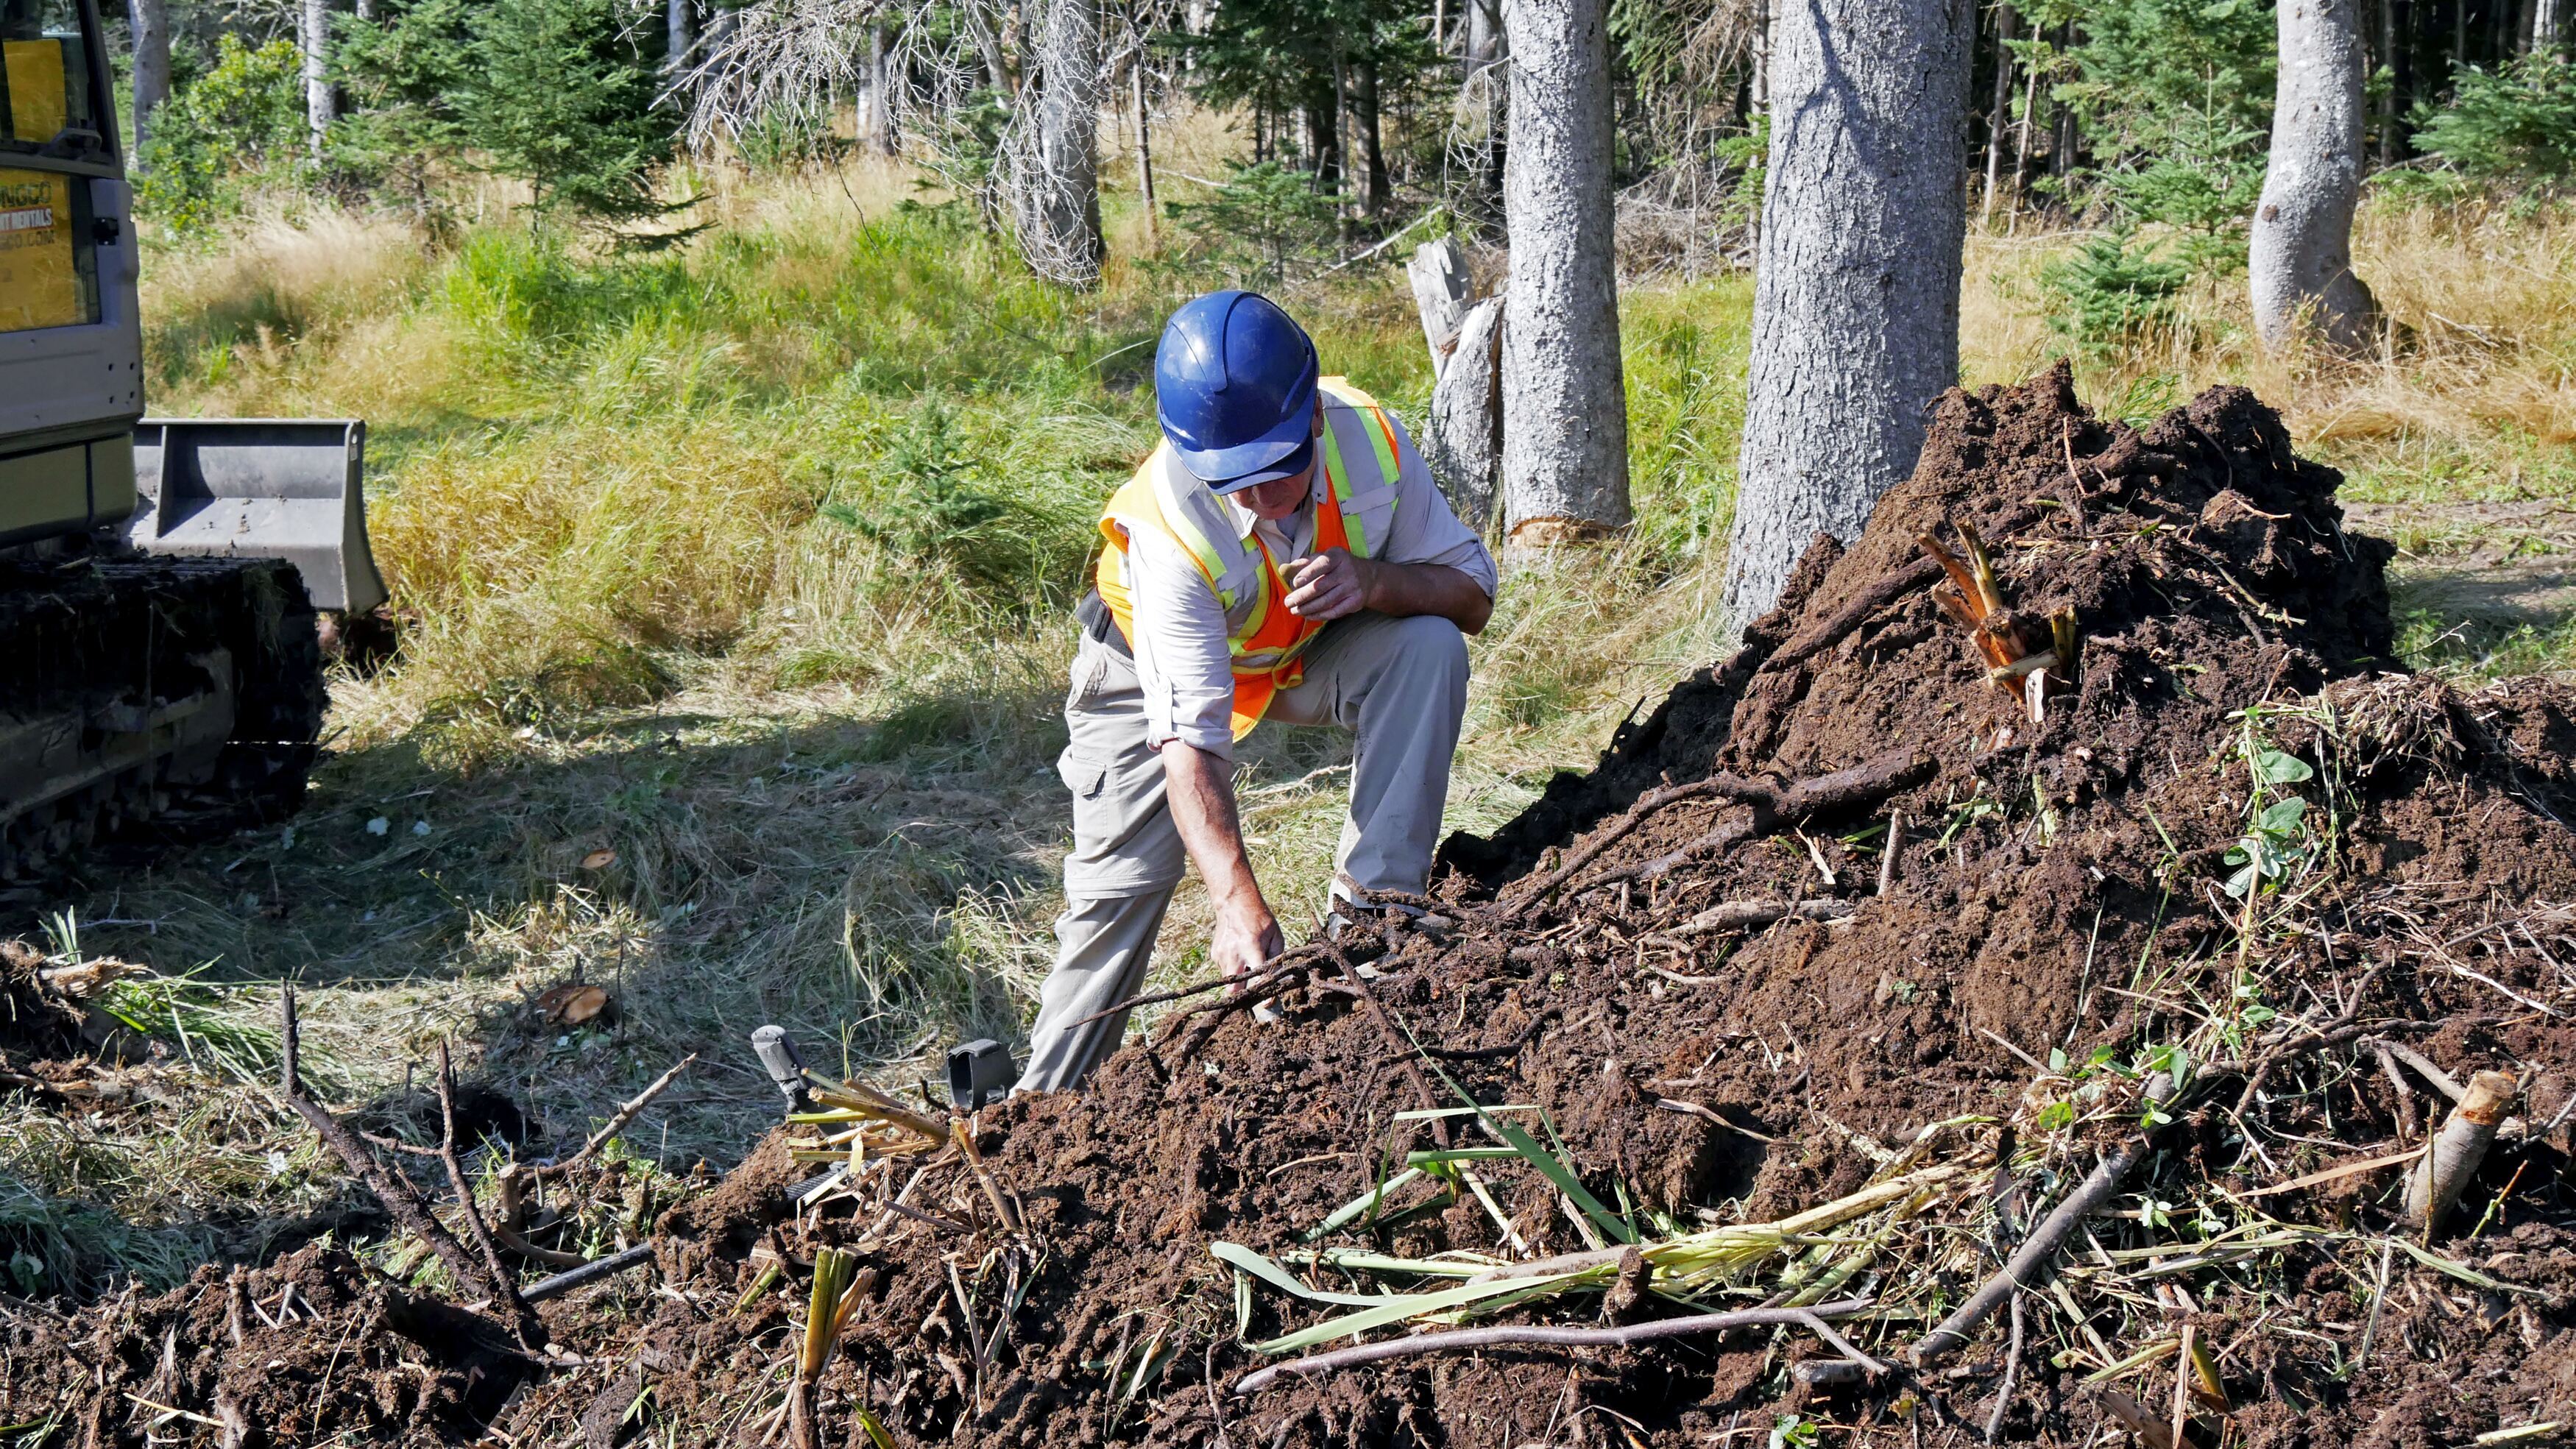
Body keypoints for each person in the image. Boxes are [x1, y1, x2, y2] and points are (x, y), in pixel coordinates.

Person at [1014, 290, 1497, 1093]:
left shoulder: (1369, 442)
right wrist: (1236, 902)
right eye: (1227, 482)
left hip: (1291, 651)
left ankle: (1371, 927)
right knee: (1118, 897)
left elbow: (1472, 598)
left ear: (1310, 416)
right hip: (1143, 673)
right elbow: (1189, 746)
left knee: (1425, 644)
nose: (1249, 503)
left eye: (1271, 480)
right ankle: (1036, 1117)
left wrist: (1373, 581)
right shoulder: (1171, 527)